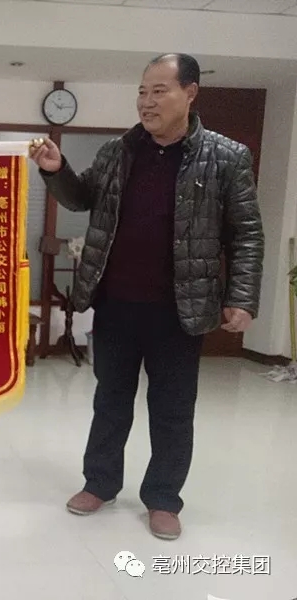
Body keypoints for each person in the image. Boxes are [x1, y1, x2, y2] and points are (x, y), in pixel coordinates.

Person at [30, 53, 263, 540]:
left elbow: (246, 233)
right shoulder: (118, 152)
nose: (147, 101)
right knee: (110, 400)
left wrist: (241, 297)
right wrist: (56, 170)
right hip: (116, 303)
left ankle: (163, 498)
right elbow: (82, 197)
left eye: (159, 91)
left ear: (190, 93)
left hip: (180, 310)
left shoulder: (227, 157)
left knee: (172, 409)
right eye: (142, 91)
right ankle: (100, 483)